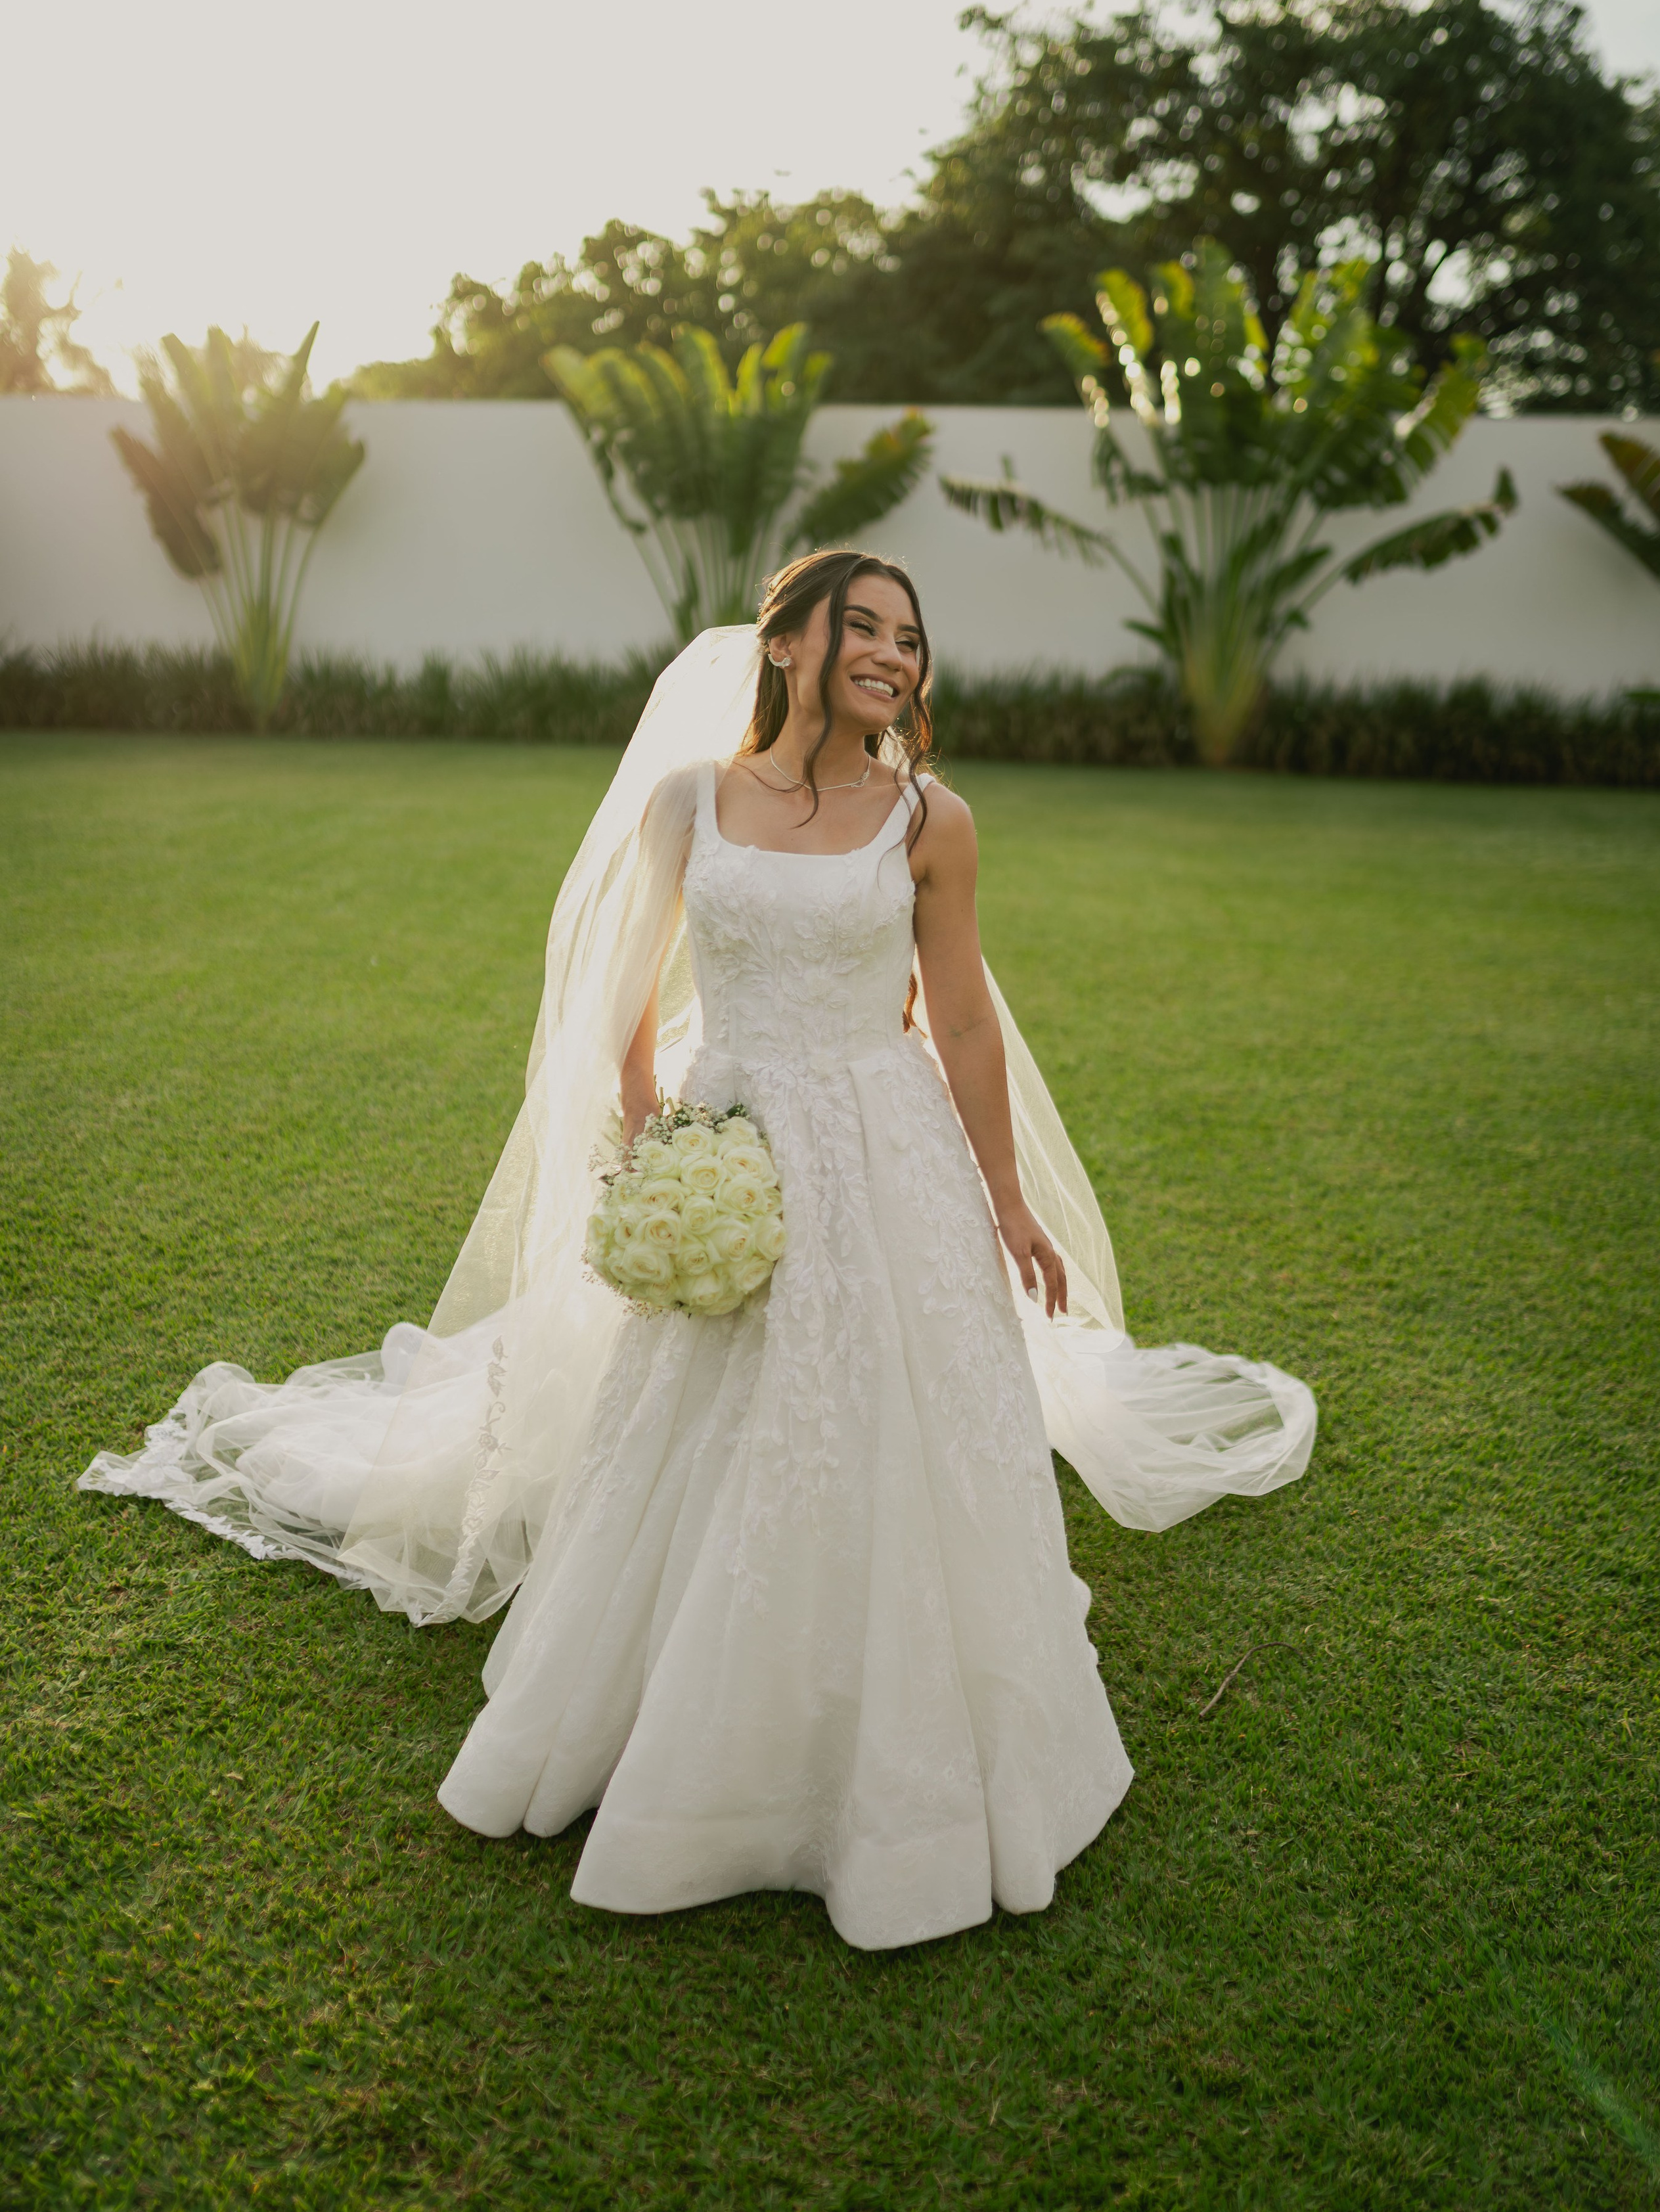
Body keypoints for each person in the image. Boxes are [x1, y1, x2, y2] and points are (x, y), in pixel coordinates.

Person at [80, 551, 1316, 1951]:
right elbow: (616, 1002)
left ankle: (888, 1738)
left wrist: (1004, 1200)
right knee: (702, 1417)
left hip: (882, 1147)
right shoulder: (690, 802)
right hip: (729, 1138)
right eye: (864, 629)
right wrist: (653, 1146)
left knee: (887, 1420)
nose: (892, 658)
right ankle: (672, 1705)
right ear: (786, 644)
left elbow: (959, 1022)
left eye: (909, 640)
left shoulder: (931, 819)